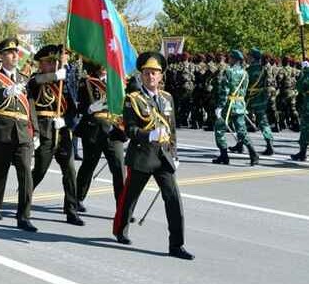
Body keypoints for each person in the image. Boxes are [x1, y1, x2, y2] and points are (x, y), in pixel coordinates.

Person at [113, 51, 194, 260]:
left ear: (160, 76)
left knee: (173, 199)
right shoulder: (133, 100)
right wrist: (149, 135)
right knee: (130, 197)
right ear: (142, 75)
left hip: (164, 157)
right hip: (142, 155)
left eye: (155, 73)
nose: (151, 77)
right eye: (147, 73)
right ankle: (120, 230)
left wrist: (175, 153)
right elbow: (129, 129)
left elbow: (172, 128)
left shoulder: (167, 98)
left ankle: (176, 245)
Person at [0, 38, 40, 232]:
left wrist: (36, 131)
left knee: (25, 172)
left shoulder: (24, 78)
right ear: (2, 56)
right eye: (10, 53)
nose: (15, 56)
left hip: (23, 132)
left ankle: (24, 216)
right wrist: (7, 91)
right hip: (3, 130)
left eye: (16, 52)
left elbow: (30, 105)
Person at [28, 44, 83, 226]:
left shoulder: (62, 83)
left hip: (62, 130)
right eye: (49, 63)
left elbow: (72, 107)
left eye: (54, 62)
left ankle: (71, 210)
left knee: (69, 171)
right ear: (41, 65)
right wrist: (35, 132)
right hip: (45, 130)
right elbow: (34, 85)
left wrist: (66, 121)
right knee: (40, 171)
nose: (53, 65)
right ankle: (24, 200)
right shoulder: (35, 80)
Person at [74, 60, 126, 211]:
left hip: (113, 130)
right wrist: (90, 108)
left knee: (119, 169)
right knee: (89, 166)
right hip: (93, 129)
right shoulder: (87, 82)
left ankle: (122, 207)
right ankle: (77, 198)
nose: (104, 68)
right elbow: (81, 106)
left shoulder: (118, 82)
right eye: (102, 64)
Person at [212, 50, 257, 166]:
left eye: (230, 58)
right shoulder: (245, 73)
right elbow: (245, 90)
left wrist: (220, 106)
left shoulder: (229, 71)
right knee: (241, 131)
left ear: (234, 59)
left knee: (219, 129)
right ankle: (253, 154)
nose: (229, 59)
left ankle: (224, 155)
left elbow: (225, 90)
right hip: (240, 104)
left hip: (228, 105)